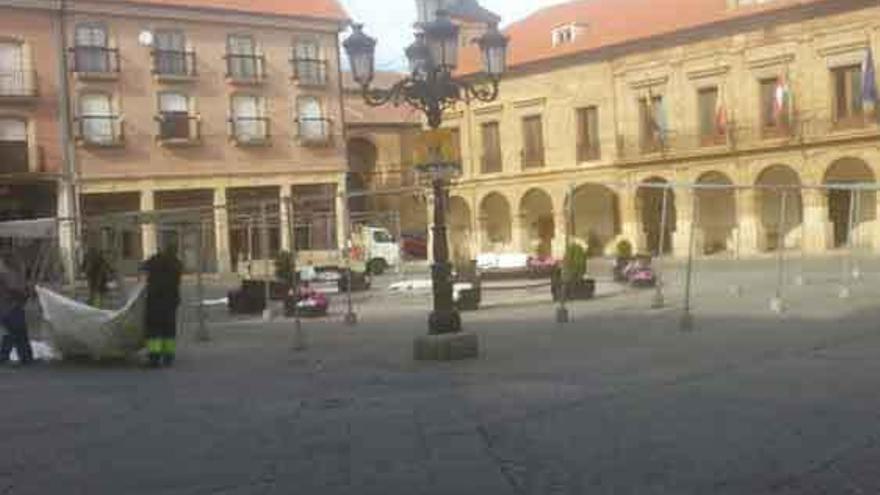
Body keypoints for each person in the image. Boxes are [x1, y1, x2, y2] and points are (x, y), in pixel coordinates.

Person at [142, 245, 182, 368]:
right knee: (169, 330)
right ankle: (168, 358)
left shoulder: (155, 260)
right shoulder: (177, 264)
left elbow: (144, 267)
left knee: (154, 331)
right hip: (170, 301)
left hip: (155, 301)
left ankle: (154, 359)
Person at [0, 254, 34, 365]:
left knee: (11, 333)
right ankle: (25, 357)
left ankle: (4, 356)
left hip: (7, 306)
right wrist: (26, 293)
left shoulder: (7, 272)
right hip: (11, 306)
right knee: (18, 332)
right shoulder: (7, 273)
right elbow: (14, 289)